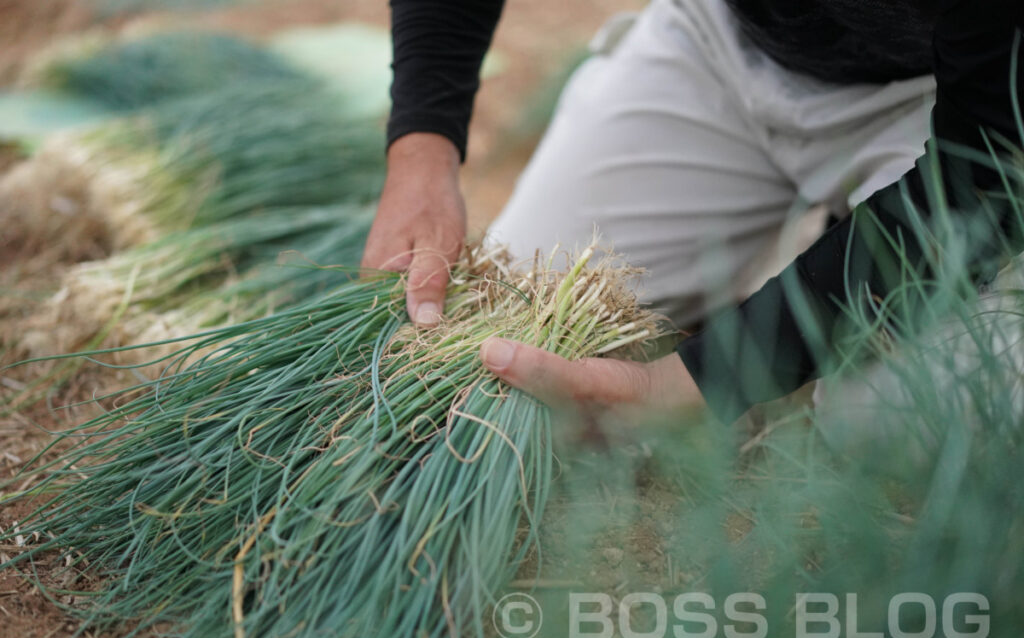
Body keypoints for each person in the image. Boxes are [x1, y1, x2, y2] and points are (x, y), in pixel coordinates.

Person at [362, 0, 1024, 422]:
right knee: (524, 316)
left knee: (902, 422)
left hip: (948, 99)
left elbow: (989, 165)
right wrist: (423, 146)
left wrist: (700, 382)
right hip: (726, 36)